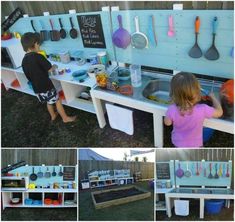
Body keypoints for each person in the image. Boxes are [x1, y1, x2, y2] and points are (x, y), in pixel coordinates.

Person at [21, 32, 76, 122]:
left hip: (36, 88)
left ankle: (53, 116)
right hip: (46, 86)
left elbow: (28, 76)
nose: (40, 47)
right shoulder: (39, 57)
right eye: (39, 44)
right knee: (57, 100)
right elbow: (50, 69)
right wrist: (55, 66)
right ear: (35, 44)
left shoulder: (24, 61)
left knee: (48, 102)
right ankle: (65, 118)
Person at [164, 72, 223, 147]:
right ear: (196, 92)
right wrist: (213, 97)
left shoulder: (171, 109)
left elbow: (167, 123)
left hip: (178, 143)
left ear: (173, 94)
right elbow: (220, 112)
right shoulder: (203, 109)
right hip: (195, 145)